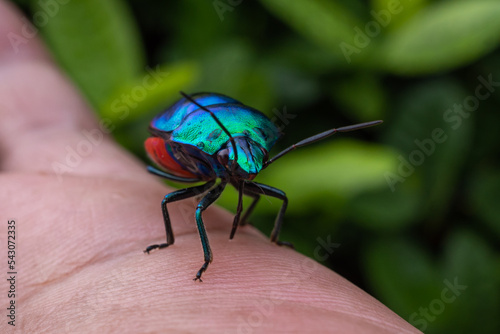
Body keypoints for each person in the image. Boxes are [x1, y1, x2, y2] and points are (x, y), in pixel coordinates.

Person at [0, 1, 420, 332]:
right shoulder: (206, 149)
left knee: (275, 196)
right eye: (238, 169)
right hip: (179, 148)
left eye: (251, 169)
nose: (248, 177)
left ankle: (268, 240)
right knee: (179, 202)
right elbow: (168, 157)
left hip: (214, 139)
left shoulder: (248, 152)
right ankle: (192, 251)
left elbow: (247, 172)